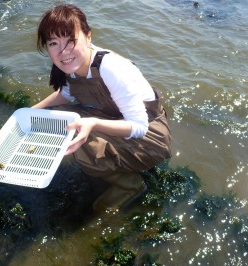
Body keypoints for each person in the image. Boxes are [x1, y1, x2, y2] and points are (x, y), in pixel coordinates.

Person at [32, 4, 172, 212]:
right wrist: (29, 113)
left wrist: (93, 123)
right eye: (54, 43)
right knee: (57, 119)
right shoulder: (71, 64)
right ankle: (109, 164)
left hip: (150, 137)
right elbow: (66, 94)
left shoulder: (110, 67)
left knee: (75, 134)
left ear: (88, 37)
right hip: (113, 117)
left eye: (71, 39)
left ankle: (129, 184)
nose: (63, 50)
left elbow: (139, 126)